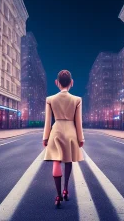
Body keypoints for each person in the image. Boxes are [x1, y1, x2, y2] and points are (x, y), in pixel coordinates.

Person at [42, 70, 85, 208]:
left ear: (57, 83)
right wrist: (81, 137)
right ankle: (66, 188)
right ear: (71, 83)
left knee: (56, 161)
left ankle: (58, 195)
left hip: (56, 132)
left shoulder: (50, 99)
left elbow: (47, 121)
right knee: (68, 160)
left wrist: (45, 137)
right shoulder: (77, 100)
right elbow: (78, 121)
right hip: (71, 132)